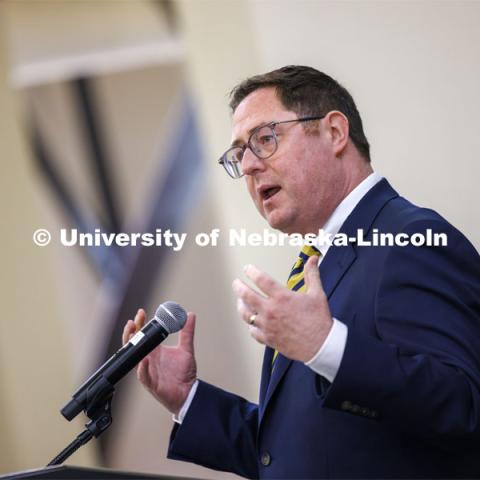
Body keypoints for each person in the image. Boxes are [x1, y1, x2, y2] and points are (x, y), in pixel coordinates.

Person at [123, 66, 480, 479]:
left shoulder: (410, 238)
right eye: (240, 154)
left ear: (334, 132)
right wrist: (188, 399)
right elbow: (290, 453)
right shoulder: (321, 261)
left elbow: (465, 407)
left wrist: (327, 346)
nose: (250, 166)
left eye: (265, 139)